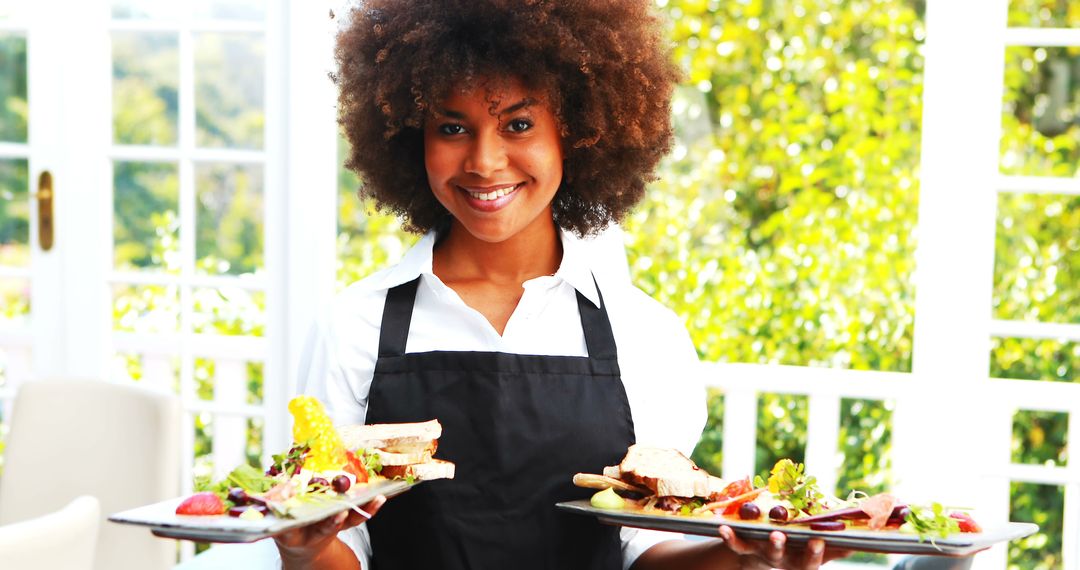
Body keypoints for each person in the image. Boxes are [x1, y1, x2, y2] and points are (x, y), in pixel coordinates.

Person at [274, 1, 852, 569]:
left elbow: (645, 546)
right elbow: (341, 547)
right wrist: (301, 546)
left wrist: (748, 561)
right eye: (452, 127)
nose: (484, 161)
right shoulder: (354, 325)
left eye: (518, 125)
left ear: (576, 134)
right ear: (409, 139)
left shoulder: (644, 334)